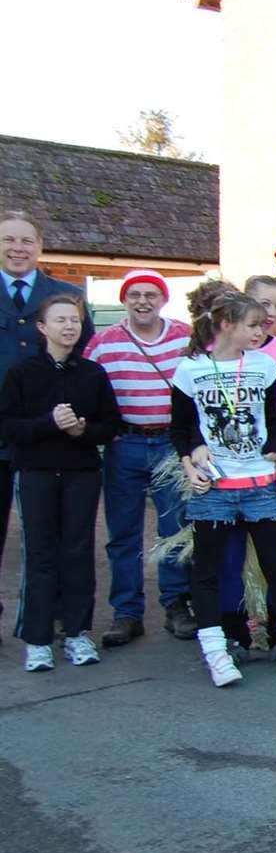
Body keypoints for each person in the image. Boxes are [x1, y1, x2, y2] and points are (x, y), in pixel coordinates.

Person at [171, 292, 276, 686]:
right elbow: (180, 426)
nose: (259, 331)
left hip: (259, 484)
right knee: (209, 571)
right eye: (252, 324)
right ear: (226, 325)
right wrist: (189, 458)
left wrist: (275, 453)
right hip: (214, 487)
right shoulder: (190, 370)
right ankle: (217, 650)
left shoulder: (265, 366)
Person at [2, 294, 119, 671]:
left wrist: (84, 430)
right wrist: (48, 423)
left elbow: (109, 425)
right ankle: (37, 639)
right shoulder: (22, 373)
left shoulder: (92, 373)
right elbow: (8, 427)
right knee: (40, 553)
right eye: (60, 320)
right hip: (36, 472)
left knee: (78, 551)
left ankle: (77, 633)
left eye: (75, 320)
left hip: (81, 472)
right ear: (42, 327)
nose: (69, 327)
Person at [83, 269, 195, 646]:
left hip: (169, 442)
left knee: (174, 528)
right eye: (135, 295)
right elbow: (87, 388)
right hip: (125, 443)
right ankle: (127, 613)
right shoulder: (103, 342)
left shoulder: (184, 337)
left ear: (163, 299)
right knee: (124, 533)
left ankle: (176, 604)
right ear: (124, 300)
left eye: (150, 294)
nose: (143, 301)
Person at [0, 211, 93, 643]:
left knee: (58, 533)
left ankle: (59, 616)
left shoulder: (66, 295)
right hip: (7, 428)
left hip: (55, 438)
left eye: (26, 241)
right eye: (8, 240)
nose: (18, 249)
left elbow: (79, 355)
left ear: (40, 246)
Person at [218, 276, 276, 654]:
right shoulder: (216, 351)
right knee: (229, 555)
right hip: (227, 471)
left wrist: (274, 451)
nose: (270, 315)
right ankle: (234, 631)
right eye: (262, 305)